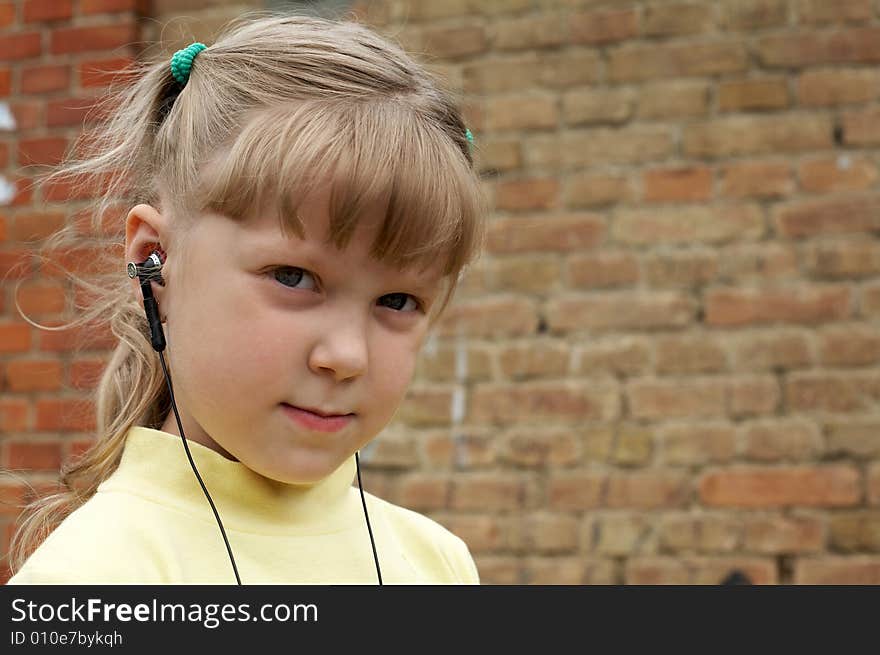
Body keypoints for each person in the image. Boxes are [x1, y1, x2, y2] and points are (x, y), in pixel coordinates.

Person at [5, 13, 486, 584]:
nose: (347, 355)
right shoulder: (98, 575)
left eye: (399, 301)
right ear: (154, 258)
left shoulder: (437, 562)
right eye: (292, 277)